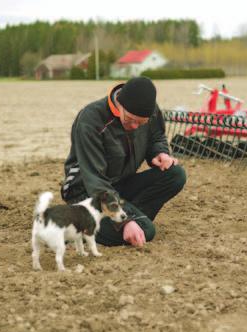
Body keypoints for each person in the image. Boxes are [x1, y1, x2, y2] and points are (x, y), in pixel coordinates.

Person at [61, 77, 186, 247]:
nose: (135, 126)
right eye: (129, 119)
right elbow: (95, 180)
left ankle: (130, 220)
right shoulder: (91, 120)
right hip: (86, 192)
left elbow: (157, 136)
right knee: (146, 231)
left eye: (141, 123)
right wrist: (124, 222)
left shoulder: (151, 112)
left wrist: (160, 153)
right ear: (119, 104)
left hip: (119, 185)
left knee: (175, 175)